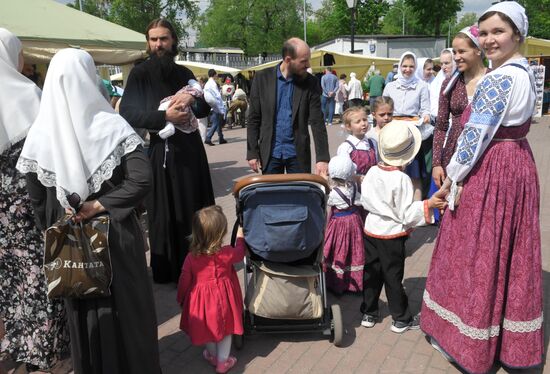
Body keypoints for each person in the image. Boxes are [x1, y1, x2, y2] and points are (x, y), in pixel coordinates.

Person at [16, 48, 161, 374]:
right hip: (116, 238)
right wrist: (98, 205)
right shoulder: (114, 127)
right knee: (131, 313)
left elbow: (38, 201)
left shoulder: (38, 136)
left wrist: (58, 225)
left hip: (69, 244)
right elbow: (141, 180)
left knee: (82, 316)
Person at [420, 3, 542, 373]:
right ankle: (508, 342)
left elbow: (473, 138)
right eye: (484, 32)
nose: (489, 39)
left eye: (497, 32)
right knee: (510, 251)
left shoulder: (498, 78)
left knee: (478, 250)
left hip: (491, 168)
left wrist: (452, 179)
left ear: (517, 35)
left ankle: (471, 343)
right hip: (518, 161)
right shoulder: (526, 71)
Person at [120, 18, 214, 283]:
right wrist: (165, 118)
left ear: (173, 40)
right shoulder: (140, 74)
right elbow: (128, 113)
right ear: (148, 43)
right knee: (164, 212)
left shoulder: (184, 73)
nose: (158, 44)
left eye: (163, 38)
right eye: (153, 39)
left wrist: (193, 97)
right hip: (161, 151)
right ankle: (169, 271)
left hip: (191, 152)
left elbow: (205, 110)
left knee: (193, 208)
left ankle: (197, 264)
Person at [0, 27, 69, 373]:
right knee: (36, 277)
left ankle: (19, 344)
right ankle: (42, 350)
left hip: (2, 217)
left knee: (10, 281)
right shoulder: (28, 94)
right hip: (29, 206)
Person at [359, 121, 446, 332]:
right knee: (392, 276)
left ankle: (368, 313)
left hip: (371, 229)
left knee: (371, 271)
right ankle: (401, 319)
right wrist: (429, 204)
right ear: (406, 157)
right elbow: (407, 214)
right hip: (391, 235)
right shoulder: (401, 179)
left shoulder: (371, 172)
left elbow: (366, 199)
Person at [247, 37, 329, 175]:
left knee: (299, 195)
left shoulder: (311, 83)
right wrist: (252, 152)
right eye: (303, 61)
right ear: (288, 60)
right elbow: (254, 118)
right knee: (272, 195)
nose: (308, 65)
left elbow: (317, 121)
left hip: (297, 154)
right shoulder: (262, 79)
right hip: (270, 153)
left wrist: (322, 158)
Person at [177, 206, 244, 374]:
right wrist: (241, 237)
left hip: (201, 302)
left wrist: (181, 297)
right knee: (226, 331)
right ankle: (223, 362)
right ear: (221, 233)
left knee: (207, 329)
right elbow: (241, 253)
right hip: (224, 300)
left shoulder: (191, 257)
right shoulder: (227, 253)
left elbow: (184, 279)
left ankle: (213, 356)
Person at [432, 25, 487, 188]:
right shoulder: (450, 84)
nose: (456, 57)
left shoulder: (493, 79)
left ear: (478, 50)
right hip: (454, 151)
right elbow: (441, 126)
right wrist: (436, 163)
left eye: (462, 51)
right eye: (455, 52)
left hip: (485, 151)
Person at [383, 51, 431, 200]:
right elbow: (384, 106)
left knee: (414, 174)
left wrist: (425, 117)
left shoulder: (421, 86)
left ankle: (415, 208)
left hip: (412, 133)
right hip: (394, 133)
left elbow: (425, 109)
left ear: (415, 67)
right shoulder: (391, 86)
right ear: (400, 66)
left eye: (411, 66)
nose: (407, 69)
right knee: (394, 172)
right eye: (404, 66)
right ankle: (394, 207)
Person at [323, 155, 364, 294]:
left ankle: (337, 282)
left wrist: (323, 182)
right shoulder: (352, 187)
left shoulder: (333, 193)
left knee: (339, 248)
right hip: (354, 220)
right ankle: (354, 282)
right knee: (353, 248)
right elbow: (359, 200)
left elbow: (325, 199)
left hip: (339, 224)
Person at [337, 106, 377, 184]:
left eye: (364, 120)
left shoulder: (372, 143)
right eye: (358, 122)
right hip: (355, 186)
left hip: (372, 184)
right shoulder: (346, 147)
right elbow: (343, 171)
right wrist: (357, 178)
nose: (363, 124)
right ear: (348, 126)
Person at [204, 69, 227, 145]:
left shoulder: (207, 83)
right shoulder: (213, 83)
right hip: (215, 105)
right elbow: (217, 95)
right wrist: (222, 108)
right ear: (214, 75)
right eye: (216, 74)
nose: (217, 75)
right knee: (216, 122)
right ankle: (208, 137)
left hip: (210, 105)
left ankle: (221, 138)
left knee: (218, 121)